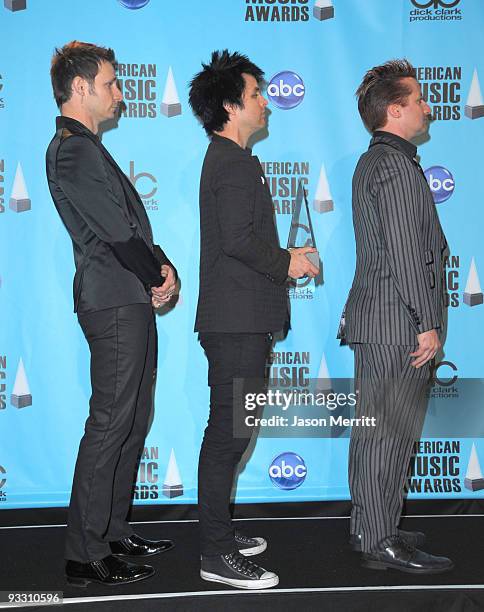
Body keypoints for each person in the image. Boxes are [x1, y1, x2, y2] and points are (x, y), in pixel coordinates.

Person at [46, 41, 177, 587]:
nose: (119, 93)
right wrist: (154, 275)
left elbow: (133, 224)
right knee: (109, 424)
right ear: (81, 89)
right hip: (114, 300)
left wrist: (163, 264)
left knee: (132, 419)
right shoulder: (73, 150)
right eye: (110, 83)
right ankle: (85, 551)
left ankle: (113, 531)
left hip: (128, 297)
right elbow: (116, 231)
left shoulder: (89, 149)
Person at [188, 50, 318, 589]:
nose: (267, 101)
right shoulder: (233, 162)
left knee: (231, 435)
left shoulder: (232, 159)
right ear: (230, 106)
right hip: (236, 321)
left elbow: (241, 240)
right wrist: (289, 261)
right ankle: (216, 554)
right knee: (228, 437)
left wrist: (284, 262)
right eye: (257, 93)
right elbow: (241, 242)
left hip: (239, 319)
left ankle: (218, 532)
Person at [340, 59, 453, 573]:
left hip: (387, 321)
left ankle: (374, 524)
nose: (428, 107)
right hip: (397, 325)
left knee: (383, 434)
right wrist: (426, 321)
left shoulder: (383, 162)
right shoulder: (392, 165)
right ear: (396, 109)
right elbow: (409, 253)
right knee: (386, 435)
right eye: (420, 99)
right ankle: (377, 538)